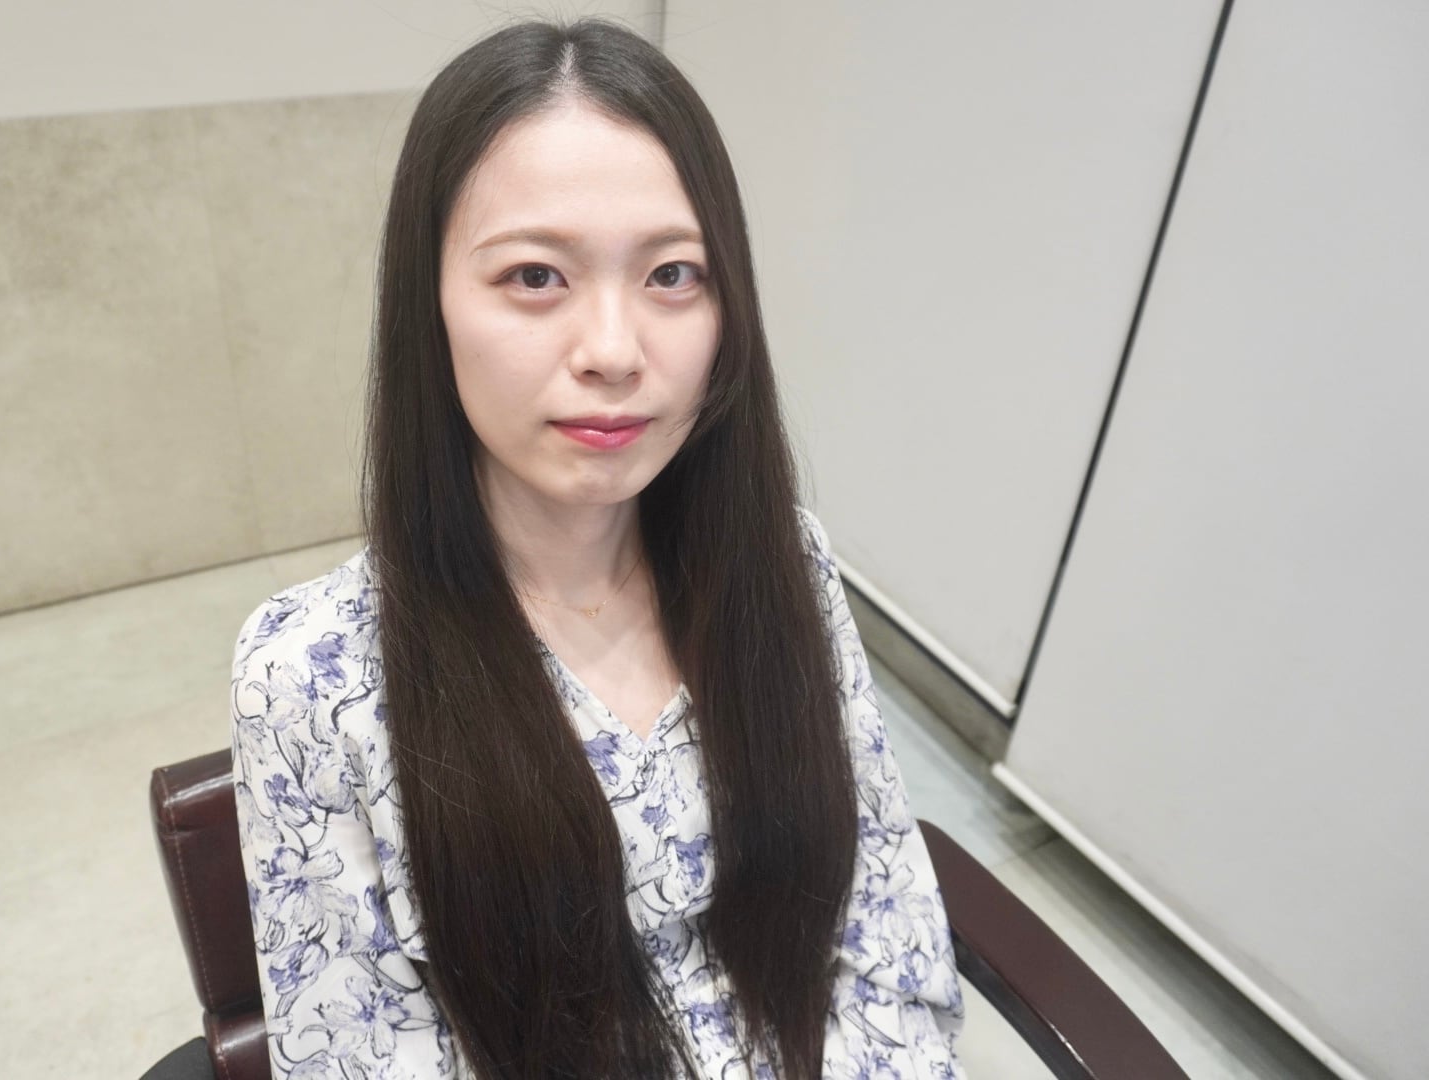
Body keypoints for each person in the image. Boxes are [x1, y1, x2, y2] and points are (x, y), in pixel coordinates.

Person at [230, 17, 965, 1080]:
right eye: (535, 276)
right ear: (427, 304)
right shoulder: (311, 677)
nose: (614, 352)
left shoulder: (781, 565)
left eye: (673, 275)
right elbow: (359, 1052)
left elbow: (883, 939)